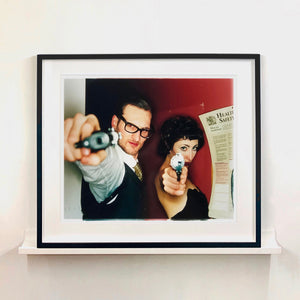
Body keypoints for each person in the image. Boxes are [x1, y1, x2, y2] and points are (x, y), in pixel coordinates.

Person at [64, 96, 153, 220]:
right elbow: (107, 167)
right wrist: (90, 144)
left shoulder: (138, 166)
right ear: (115, 123)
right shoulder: (113, 167)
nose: (137, 138)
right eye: (131, 126)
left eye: (144, 130)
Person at [155, 115, 209, 220]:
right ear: (168, 145)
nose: (190, 156)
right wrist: (171, 179)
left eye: (194, 148)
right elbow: (167, 177)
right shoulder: (166, 173)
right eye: (184, 148)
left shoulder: (181, 169)